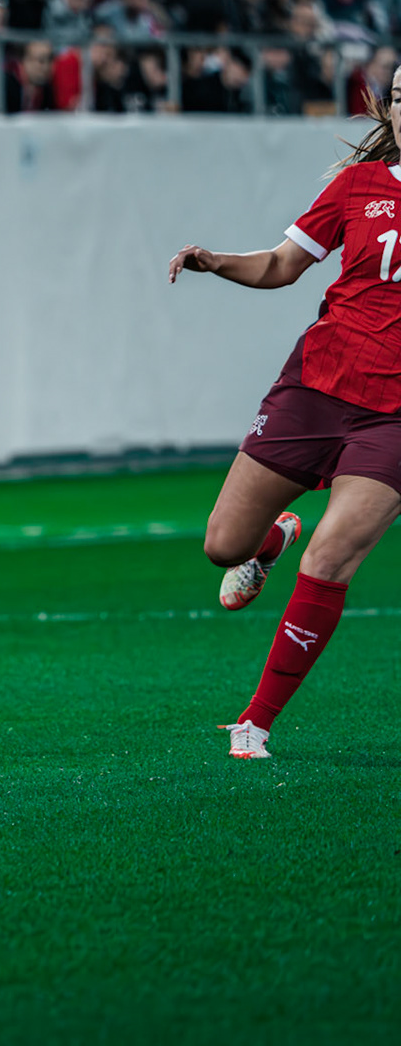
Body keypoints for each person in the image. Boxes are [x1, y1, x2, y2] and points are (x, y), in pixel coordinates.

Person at [167, 64, 401, 760]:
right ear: (387, 111)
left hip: (395, 419)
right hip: (317, 388)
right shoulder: (358, 187)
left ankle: (255, 722)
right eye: (399, 98)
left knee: (333, 558)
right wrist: (216, 261)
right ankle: (270, 540)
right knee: (222, 546)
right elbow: (281, 265)